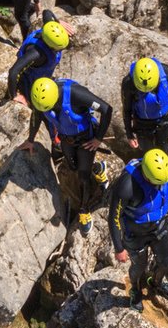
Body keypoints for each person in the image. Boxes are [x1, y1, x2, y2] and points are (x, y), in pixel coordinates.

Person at [23, 76, 112, 235]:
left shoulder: (75, 93)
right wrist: (30, 140)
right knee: (72, 166)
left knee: (82, 176)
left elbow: (106, 109)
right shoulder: (40, 97)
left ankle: (84, 211)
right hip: (66, 138)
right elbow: (37, 116)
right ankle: (98, 168)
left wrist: (98, 139)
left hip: (86, 139)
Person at [109, 148, 168, 310]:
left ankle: (156, 282)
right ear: (147, 176)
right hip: (136, 234)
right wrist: (119, 248)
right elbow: (114, 216)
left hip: (159, 226)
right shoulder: (127, 185)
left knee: (166, 262)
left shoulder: (163, 175)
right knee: (139, 267)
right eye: (158, 183)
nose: (161, 185)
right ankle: (135, 290)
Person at [121, 57, 168, 153]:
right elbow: (127, 109)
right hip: (141, 123)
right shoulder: (128, 83)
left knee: (163, 151)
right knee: (147, 153)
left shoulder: (167, 72)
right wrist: (129, 135)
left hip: (163, 120)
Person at [4, 11, 70, 104]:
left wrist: (57, 22)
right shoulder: (36, 53)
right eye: (58, 48)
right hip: (29, 82)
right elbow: (14, 71)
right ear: (50, 45)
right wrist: (14, 95)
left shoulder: (48, 27)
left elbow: (46, 12)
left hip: (42, 75)